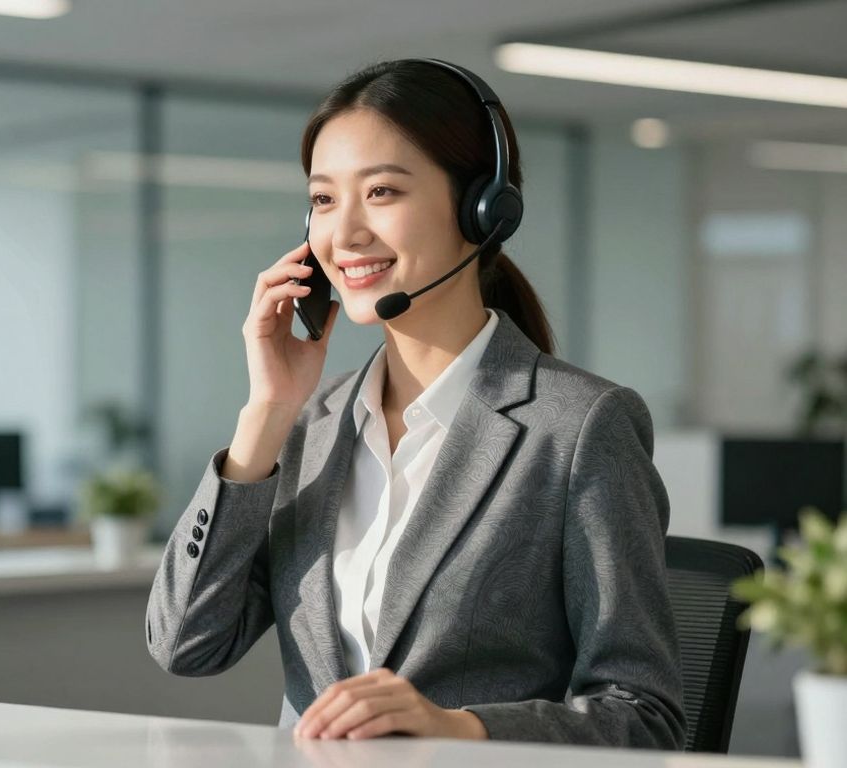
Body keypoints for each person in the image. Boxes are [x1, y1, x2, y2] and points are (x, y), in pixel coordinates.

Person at [146, 59, 685, 749]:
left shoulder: (577, 428)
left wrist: (459, 729)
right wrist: (265, 415)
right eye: (322, 200)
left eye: (381, 192)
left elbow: (645, 717)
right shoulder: (310, 427)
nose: (343, 235)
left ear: (481, 208)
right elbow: (185, 643)